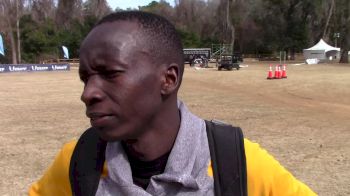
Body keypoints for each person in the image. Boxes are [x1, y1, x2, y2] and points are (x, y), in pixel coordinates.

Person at [29, 11, 316, 196]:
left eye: (110, 74)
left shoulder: (234, 162)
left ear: (169, 79)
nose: (88, 93)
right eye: (85, 78)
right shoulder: (79, 160)